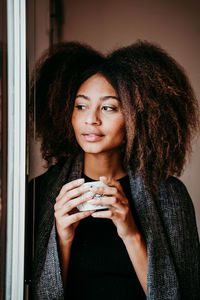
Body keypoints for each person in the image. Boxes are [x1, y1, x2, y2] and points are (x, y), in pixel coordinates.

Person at [29, 40, 200, 299]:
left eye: (109, 107)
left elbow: (187, 292)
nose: (91, 119)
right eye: (81, 105)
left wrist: (131, 232)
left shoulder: (170, 195)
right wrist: (62, 237)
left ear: (137, 117)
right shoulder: (40, 192)